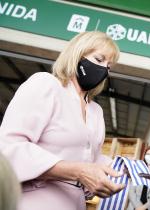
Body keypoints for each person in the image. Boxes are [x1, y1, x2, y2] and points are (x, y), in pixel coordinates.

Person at [0, 31, 125, 210]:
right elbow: (8, 147)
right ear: (77, 55)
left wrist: (125, 169)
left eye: (109, 66)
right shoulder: (46, 85)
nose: (104, 69)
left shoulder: (96, 111)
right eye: (99, 59)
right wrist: (77, 172)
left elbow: (91, 160)